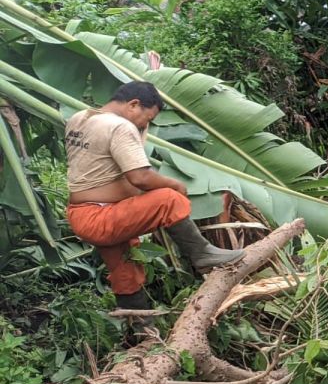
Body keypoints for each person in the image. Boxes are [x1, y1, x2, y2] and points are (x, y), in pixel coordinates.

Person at [65, 81, 245, 310]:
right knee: (169, 200)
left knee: (125, 269)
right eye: (147, 119)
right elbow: (140, 177)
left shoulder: (80, 118)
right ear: (133, 104)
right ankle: (202, 255)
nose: (144, 124)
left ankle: (140, 331)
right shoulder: (119, 126)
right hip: (101, 217)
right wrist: (176, 184)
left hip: (82, 214)